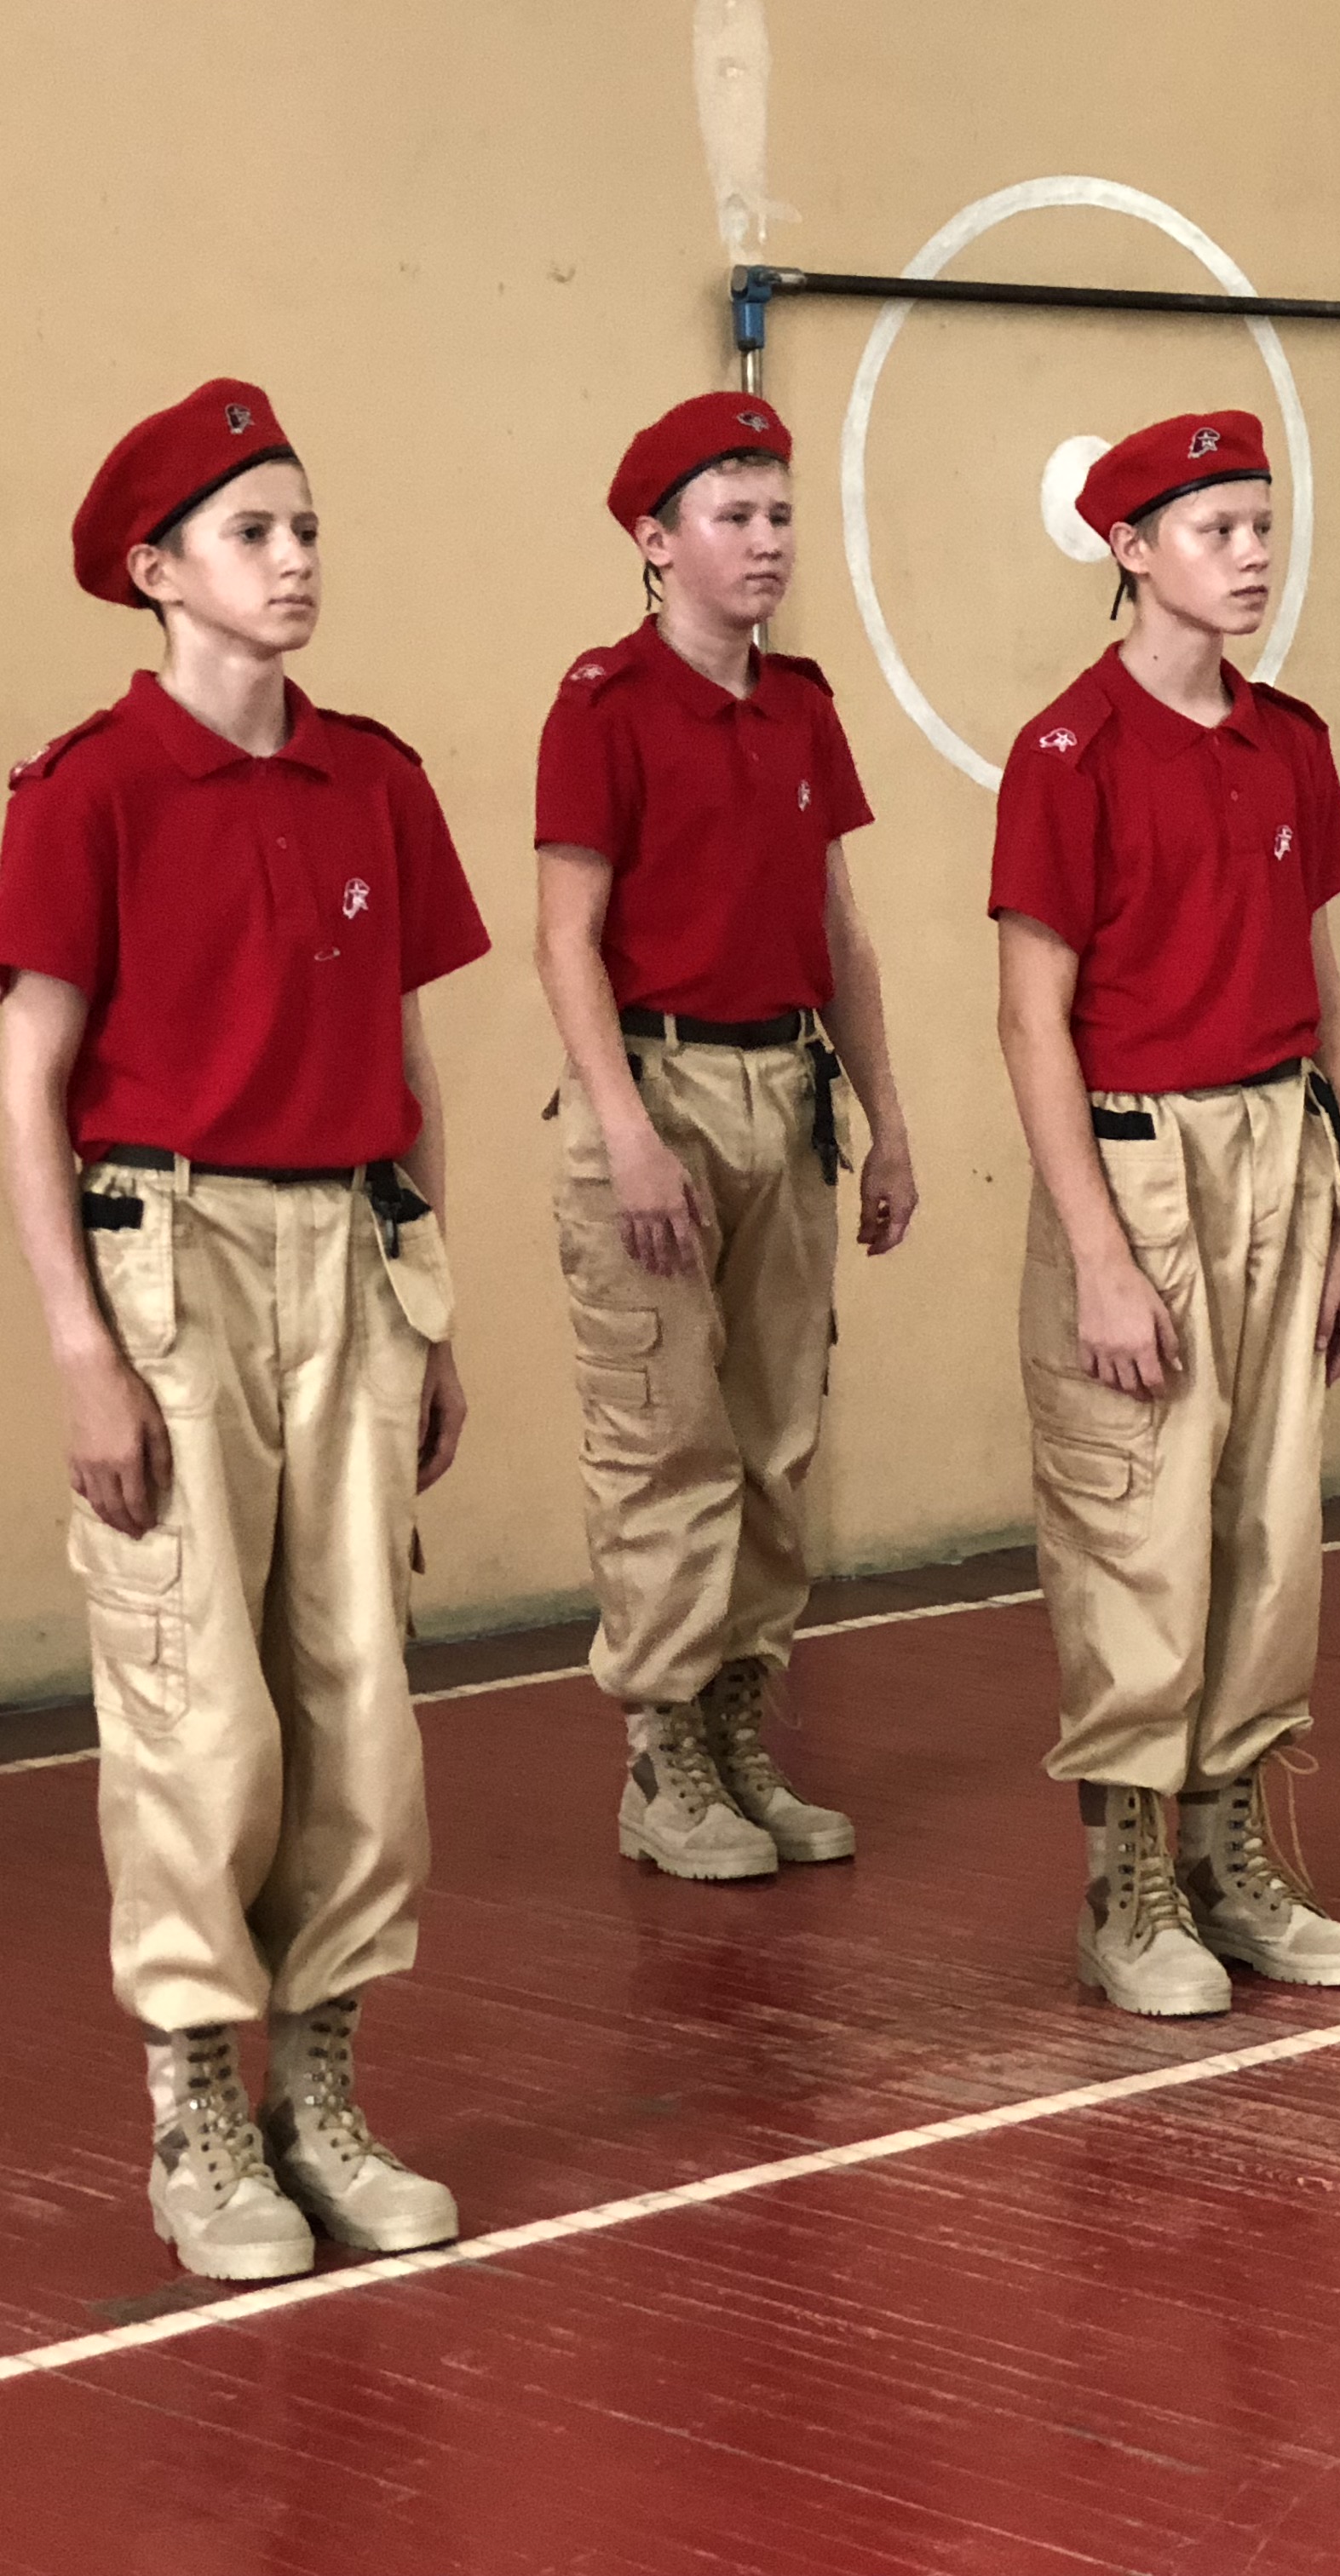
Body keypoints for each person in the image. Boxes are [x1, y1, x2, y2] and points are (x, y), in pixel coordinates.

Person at [0, 380, 487, 2279]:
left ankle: (325, 2094)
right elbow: (27, 1076)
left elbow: (410, 1057)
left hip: (351, 1257)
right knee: (199, 1711)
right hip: (170, 1259)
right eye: (252, 534)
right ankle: (199, 2113)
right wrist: (80, 1351)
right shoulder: (90, 791)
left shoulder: (373, 779)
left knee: (359, 1698)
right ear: (157, 571)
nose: (294, 563)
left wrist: (432, 1306)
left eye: (305, 529)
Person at [989, 410, 1340, 2018]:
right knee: (1136, 1527)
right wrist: (1099, 1255)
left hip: (1282, 1146)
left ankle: (1230, 1858)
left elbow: (1324, 988)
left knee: (1270, 1529)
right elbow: (1032, 1020)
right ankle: (1127, 1888)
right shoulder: (1068, 753)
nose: (1252, 554)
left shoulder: (1289, 742)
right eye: (1217, 530)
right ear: (1132, 551)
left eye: (1262, 525)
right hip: (1142, 1164)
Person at [533, 392, 917, 1884]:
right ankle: (664, 1754)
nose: (767, 542)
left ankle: (741, 1722)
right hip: (657, 1089)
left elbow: (840, 930)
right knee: (664, 1440)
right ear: (655, 540)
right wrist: (626, 1133)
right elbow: (565, 941)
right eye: (733, 517)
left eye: (779, 516)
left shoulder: (802, 706)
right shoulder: (604, 706)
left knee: (773, 1438)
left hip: (786, 1088)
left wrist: (888, 1120)